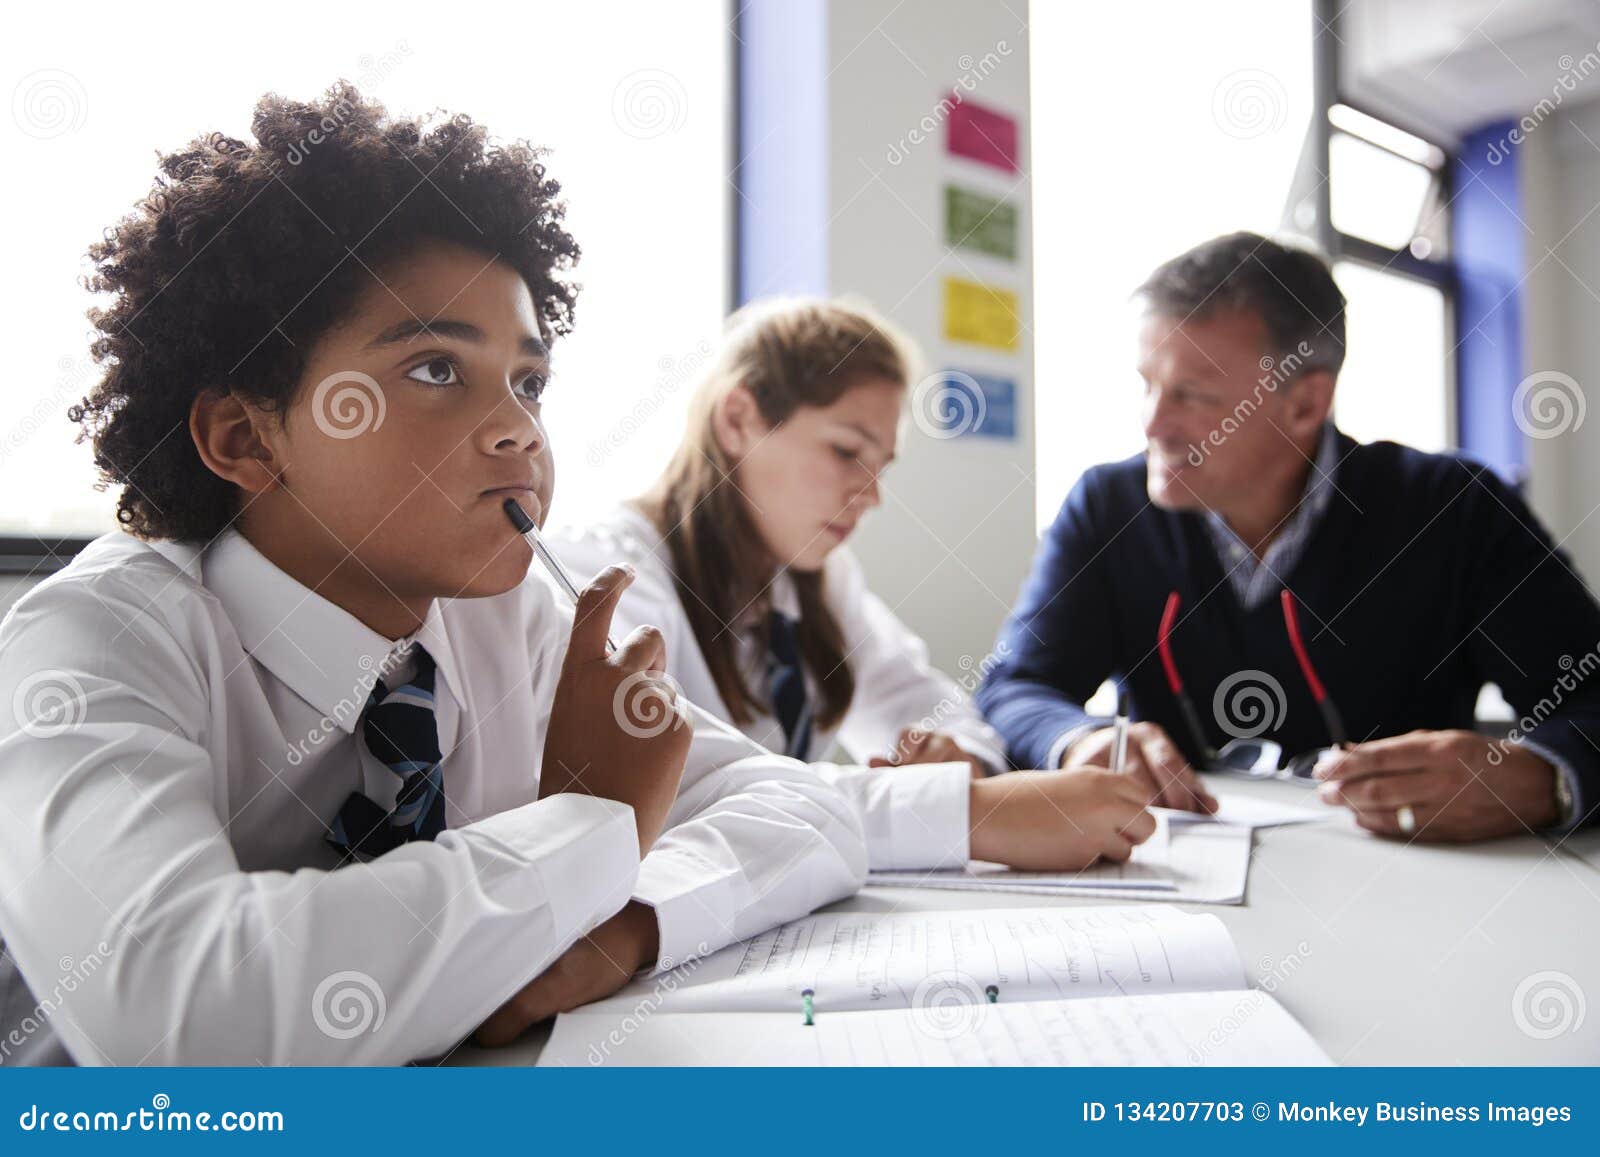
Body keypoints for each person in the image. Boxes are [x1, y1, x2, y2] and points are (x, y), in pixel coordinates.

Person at [0, 84, 867, 1066]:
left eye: (528, 382)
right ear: (244, 434)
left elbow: (806, 810)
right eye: (435, 370)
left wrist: (623, 928)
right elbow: (182, 1019)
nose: (520, 430)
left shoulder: (512, 623)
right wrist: (593, 823)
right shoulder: (90, 645)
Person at [977, 231, 1600, 841]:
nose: (1152, 422)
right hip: (1177, 886)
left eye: (1193, 395)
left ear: (1305, 405)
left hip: (1408, 888)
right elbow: (1016, 687)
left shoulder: (1454, 510)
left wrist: (1540, 779)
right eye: (1147, 383)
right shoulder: (1107, 507)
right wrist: (1080, 740)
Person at [554, 297, 1158, 874]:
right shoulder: (608, 574)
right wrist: (969, 814)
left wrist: (953, 757)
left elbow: (937, 708)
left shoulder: (818, 579)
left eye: (881, 466)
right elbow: (688, 790)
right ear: (738, 420)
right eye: (847, 452)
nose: (871, 496)